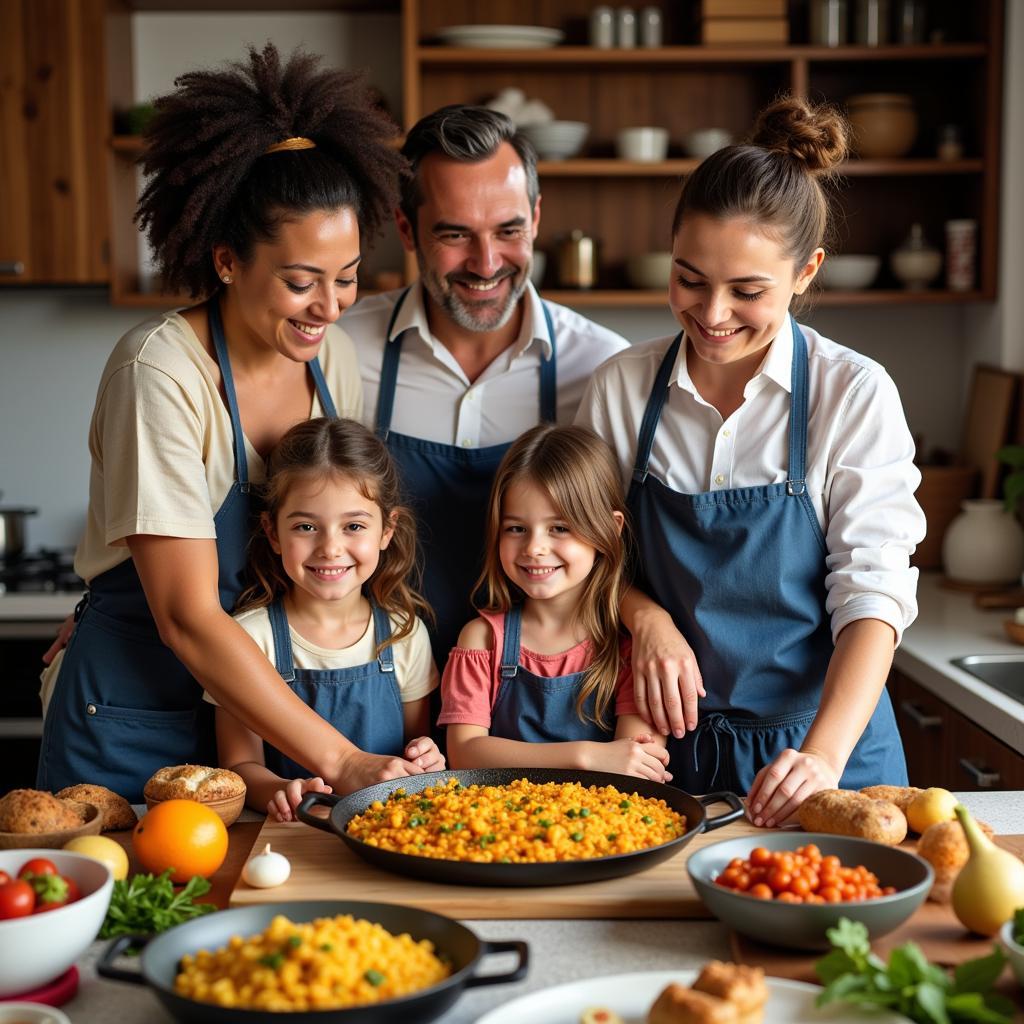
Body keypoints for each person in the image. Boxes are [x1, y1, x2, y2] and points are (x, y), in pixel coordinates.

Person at [36, 45, 423, 802]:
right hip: (135, 711)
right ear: (225, 262)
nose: (330, 305)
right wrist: (342, 760)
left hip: (261, 726)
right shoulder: (159, 372)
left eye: (345, 278)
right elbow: (184, 615)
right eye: (300, 282)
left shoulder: (330, 361)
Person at [578, 97, 925, 823]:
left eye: (747, 291)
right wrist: (647, 618)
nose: (712, 313)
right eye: (690, 278)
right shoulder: (620, 389)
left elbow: (873, 598)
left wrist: (822, 758)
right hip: (674, 751)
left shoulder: (851, 393)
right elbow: (583, 555)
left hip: (830, 749)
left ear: (806, 273)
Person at [343, 105, 630, 668]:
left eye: (508, 231)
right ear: (406, 228)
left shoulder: (603, 366)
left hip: (536, 697)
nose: (486, 263)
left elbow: (623, 551)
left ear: (537, 218)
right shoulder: (342, 351)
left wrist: (648, 617)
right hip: (383, 682)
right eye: (455, 234)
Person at [213, 418, 444, 821]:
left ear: (387, 531)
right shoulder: (247, 638)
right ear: (272, 532)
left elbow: (414, 745)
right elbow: (238, 767)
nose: (330, 548)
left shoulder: (405, 634)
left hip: (388, 832)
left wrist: (425, 758)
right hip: (293, 837)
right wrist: (280, 790)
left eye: (353, 526)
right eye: (306, 526)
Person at [439, 424, 671, 782]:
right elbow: (465, 753)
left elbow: (640, 767)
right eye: (516, 528)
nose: (534, 548)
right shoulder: (481, 640)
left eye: (560, 528)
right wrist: (585, 755)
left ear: (610, 529)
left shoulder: (632, 649)